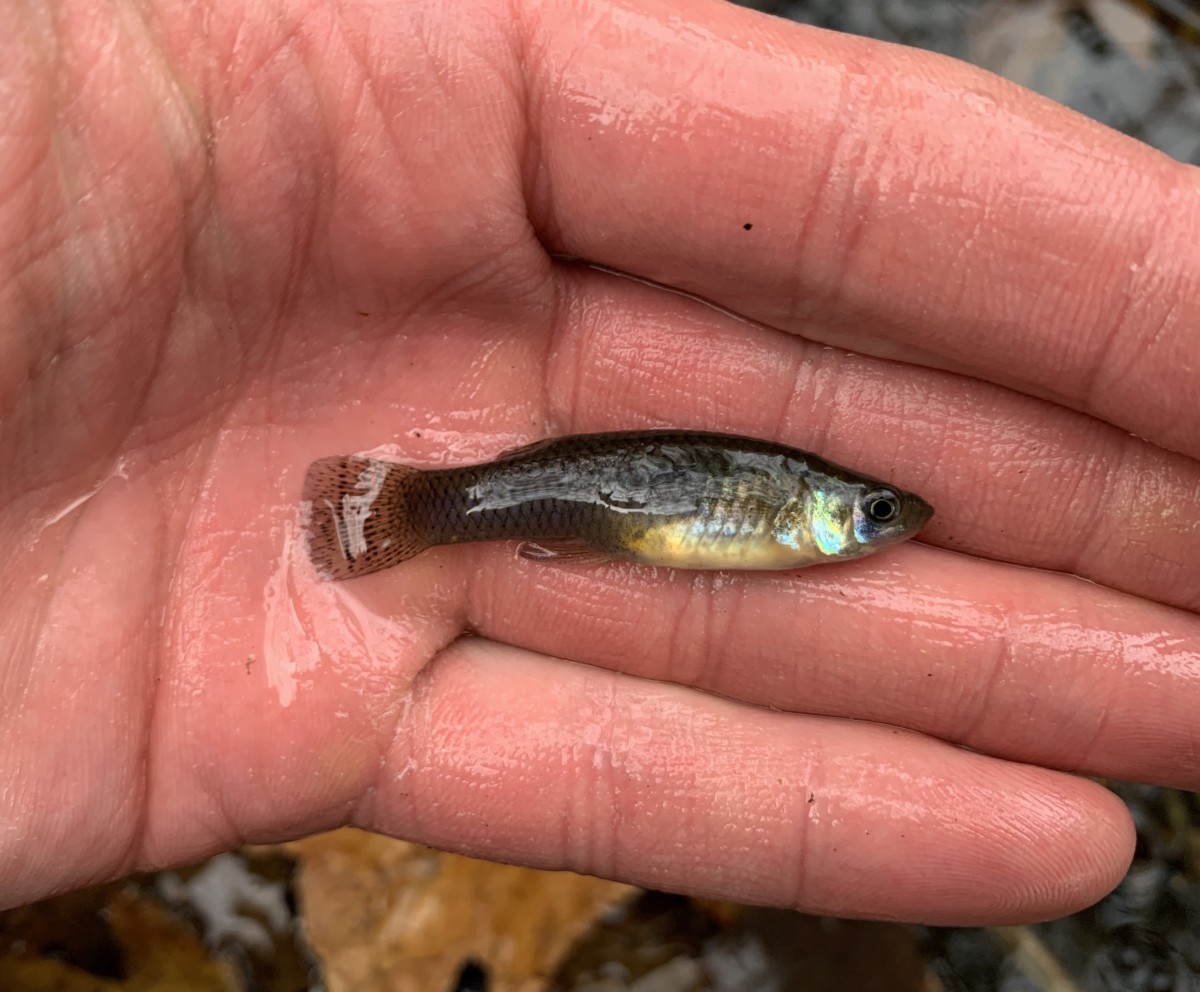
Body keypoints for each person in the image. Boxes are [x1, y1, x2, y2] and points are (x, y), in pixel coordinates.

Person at [2, 0, 1197, 926]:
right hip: (547, 491)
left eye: (875, 515)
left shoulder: (786, 514)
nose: (881, 523)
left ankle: (419, 512)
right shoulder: (786, 512)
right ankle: (412, 510)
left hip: (568, 493)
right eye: (874, 511)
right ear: (826, 503)